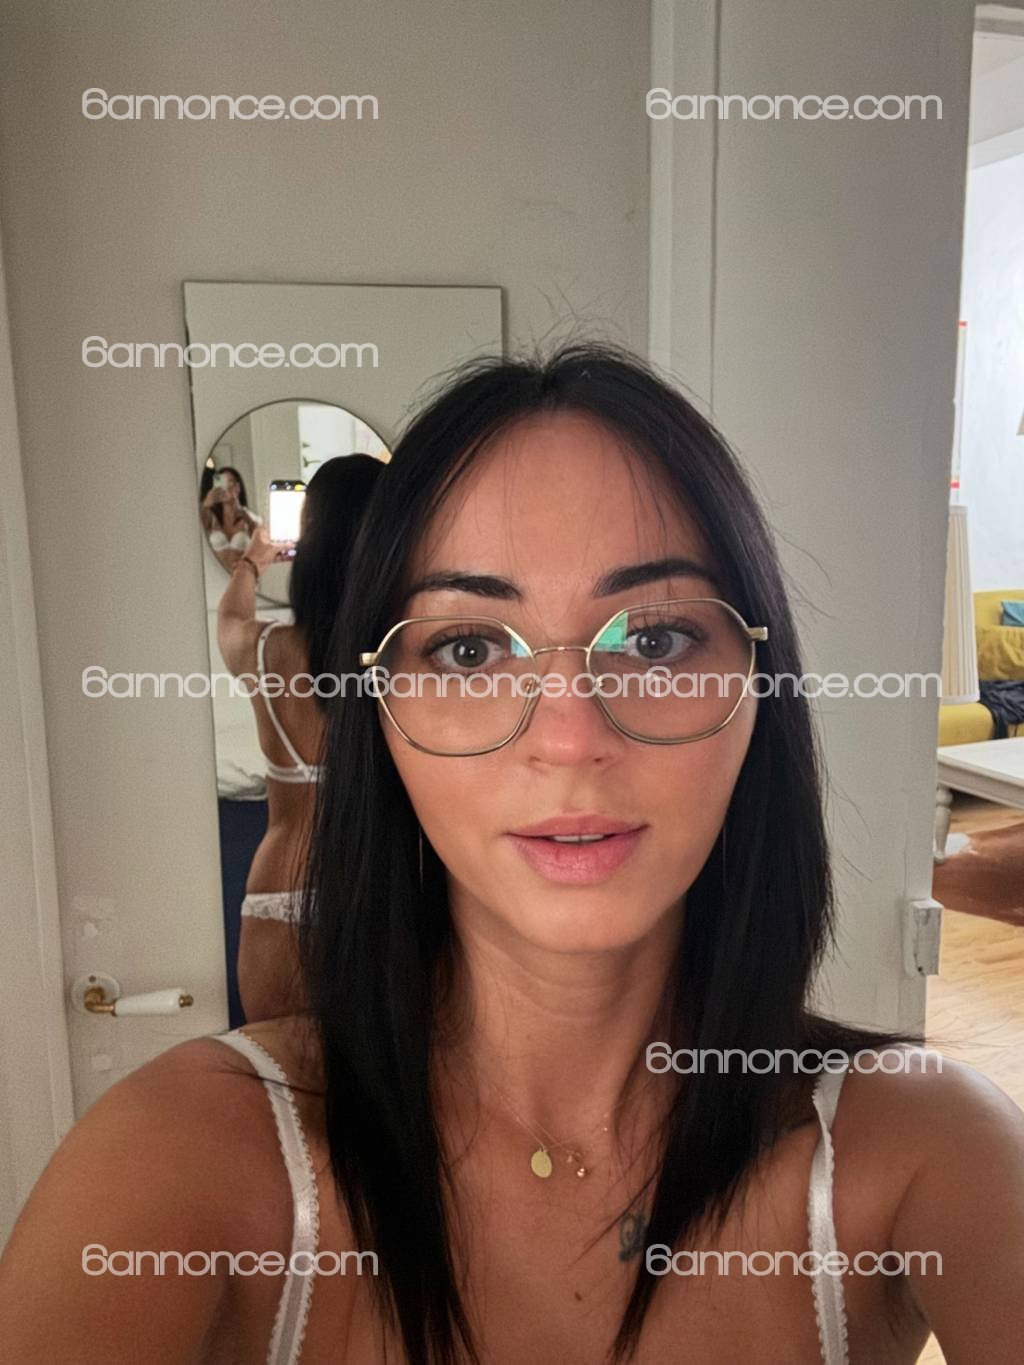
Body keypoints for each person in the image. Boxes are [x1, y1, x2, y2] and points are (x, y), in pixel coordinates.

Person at [2, 344, 1023, 1364]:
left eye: (655, 640)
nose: (569, 738)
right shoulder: (186, 1153)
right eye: (469, 648)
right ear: (380, 711)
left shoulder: (922, 1146)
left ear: (762, 685)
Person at [220, 454, 383, 1022]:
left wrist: (253, 559)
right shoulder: (407, 656)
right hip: (378, 884)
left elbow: (229, 621)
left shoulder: (265, 650)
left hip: (280, 883)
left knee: (278, 1067)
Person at [200, 465, 262, 572]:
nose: (225, 488)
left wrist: (246, 517)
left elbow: (261, 544)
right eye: (221, 483)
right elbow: (196, 531)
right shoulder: (211, 517)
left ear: (237, 487)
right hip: (213, 578)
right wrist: (206, 504)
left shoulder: (249, 517)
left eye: (229, 482)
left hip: (242, 577)